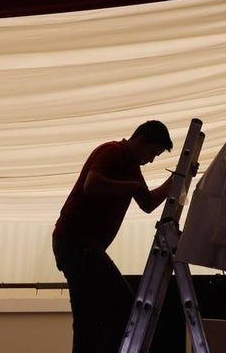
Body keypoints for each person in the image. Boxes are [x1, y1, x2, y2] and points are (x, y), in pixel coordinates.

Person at [52, 120, 176, 353]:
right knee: (121, 308)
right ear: (140, 139)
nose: (150, 160)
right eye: (151, 152)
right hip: (76, 243)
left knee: (89, 317)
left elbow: (147, 203)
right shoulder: (111, 151)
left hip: (82, 245)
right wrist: (130, 186)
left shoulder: (131, 166)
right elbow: (92, 184)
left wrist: (173, 184)